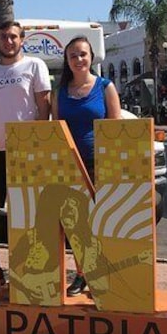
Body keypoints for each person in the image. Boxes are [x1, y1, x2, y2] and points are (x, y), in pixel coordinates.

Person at [0, 21, 52, 283]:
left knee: (24, 212)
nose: (8, 41)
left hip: (26, 151)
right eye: (4, 37)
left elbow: (45, 107)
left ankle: (24, 269)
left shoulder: (35, 66)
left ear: (22, 39)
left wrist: (38, 145)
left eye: (13, 37)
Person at [51, 36, 122, 297]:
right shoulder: (59, 92)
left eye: (82, 54)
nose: (78, 59)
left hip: (100, 163)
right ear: (67, 61)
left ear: (91, 57)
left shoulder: (105, 87)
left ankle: (104, 275)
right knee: (78, 224)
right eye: (73, 56)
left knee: (103, 221)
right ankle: (82, 274)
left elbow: (116, 127)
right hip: (70, 164)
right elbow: (56, 128)